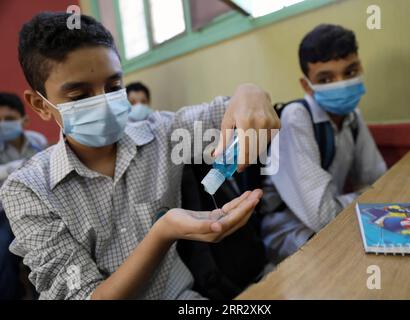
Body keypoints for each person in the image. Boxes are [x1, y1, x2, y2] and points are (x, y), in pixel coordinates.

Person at [0, 12, 280, 300]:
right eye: (79, 97)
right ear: (40, 105)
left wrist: (251, 94)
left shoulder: (162, 134)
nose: (104, 103)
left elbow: (229, 112)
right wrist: (162, 233)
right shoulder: (28, 190)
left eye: (113, 87)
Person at [261, 24, 387, 264]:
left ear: (360, 67)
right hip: (290, 234)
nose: (341, 84)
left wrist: (373, 192)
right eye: (326, 78)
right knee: (357, 263)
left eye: (350, 72)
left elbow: (377, 177)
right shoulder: (296, 117)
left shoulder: (353, 118)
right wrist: (372, 195)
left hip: (337, 222)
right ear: (307, 86)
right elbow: (323, 215)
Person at [0, 92, 47, 299]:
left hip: (36, 209)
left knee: (44, 254)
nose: (3, 125)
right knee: (3, 254)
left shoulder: (38, 141)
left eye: (8, 120)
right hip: (4, 215)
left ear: (24, 120)